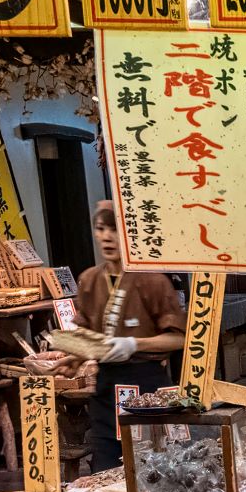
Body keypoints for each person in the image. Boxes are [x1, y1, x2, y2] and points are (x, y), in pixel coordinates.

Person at [77, 199, 185, 467]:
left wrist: (134, 344)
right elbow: (84, 335)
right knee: (105, 467)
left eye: (115, 229)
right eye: (101, 229)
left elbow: (179, 338)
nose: (107, 237)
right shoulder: (89, 279)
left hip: (147, 385)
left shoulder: (153, 280)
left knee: (152, 469)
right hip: (105, 386)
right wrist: (71, 356)